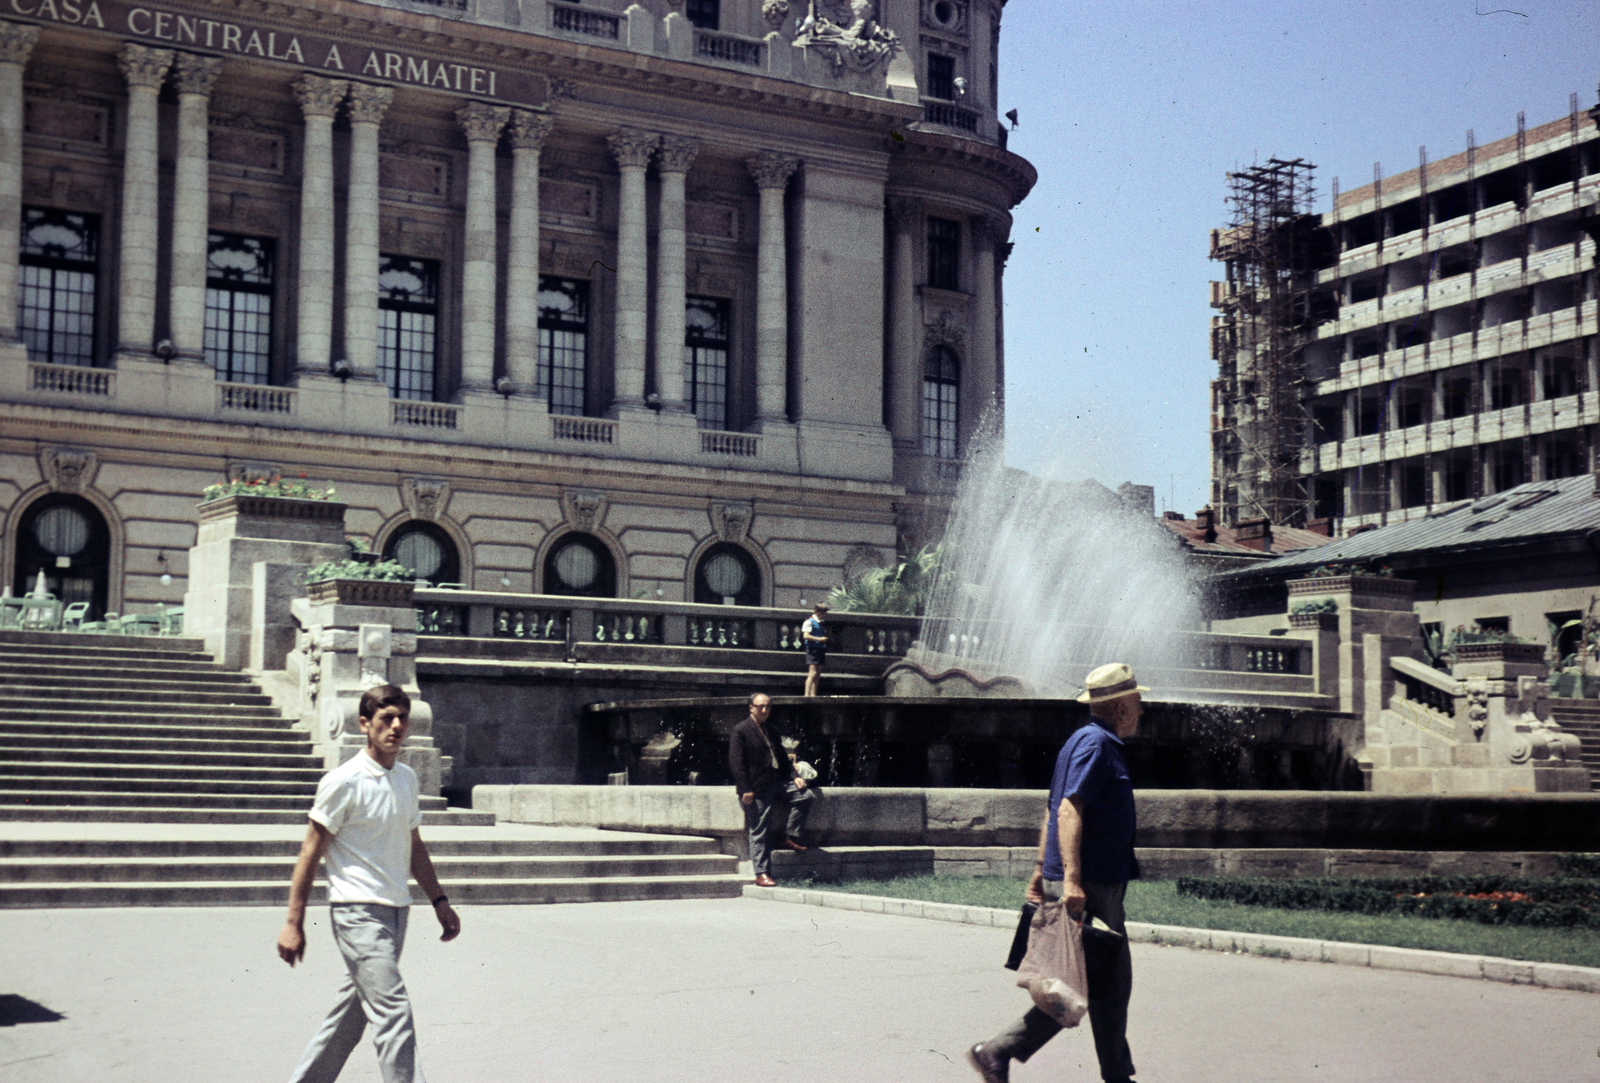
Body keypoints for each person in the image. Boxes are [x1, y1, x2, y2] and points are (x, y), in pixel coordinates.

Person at [968, 663, 1144, 1083]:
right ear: (1120, 706)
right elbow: (1068, 810)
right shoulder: (1096, 744)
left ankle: (1115, 1073)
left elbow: (1053, 809)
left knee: (1099, 980)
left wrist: (1038, 871)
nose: (1141, 709)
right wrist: (1070, 879)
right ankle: (998, 1050)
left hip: (1086, 879)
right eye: (1137, 702)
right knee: (1092, 983)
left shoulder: (1082, 742)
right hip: (1091, 882)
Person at [276, 684, 461, 1083]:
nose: (396, 726)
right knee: (393, 1012)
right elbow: (310, 852)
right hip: (356, 913)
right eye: (386, 719)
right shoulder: (343, 781)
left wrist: (440, 901)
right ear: (364, 724)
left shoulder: (407, 779)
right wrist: (293, 922)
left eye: (402, 719)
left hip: (396, 912)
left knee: (352, 1014)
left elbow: (414, 847)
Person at [728, 692, 810, 886]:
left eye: (767, 707)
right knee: (759, 830)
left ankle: (788, 836)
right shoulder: (741, 730)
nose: (764, 710)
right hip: (757, 788)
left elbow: (783, 758)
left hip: (778, 782)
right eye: (760, 706)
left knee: (804, 796)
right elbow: (736, 763)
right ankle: (761, 873)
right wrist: (745, 788)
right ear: (751, 708)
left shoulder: (772, 730)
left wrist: (795, 777)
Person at [801, 603, 830, 697]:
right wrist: (819, 639)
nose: (823, 615)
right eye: (821, 613)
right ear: (816, 611)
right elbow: (805, 636)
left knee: (818, 673)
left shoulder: (820, 623)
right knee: (812, 673)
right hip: (813, 649)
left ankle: (813, 694)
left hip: (820, 649)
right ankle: (806, 694)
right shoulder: (809, 622)